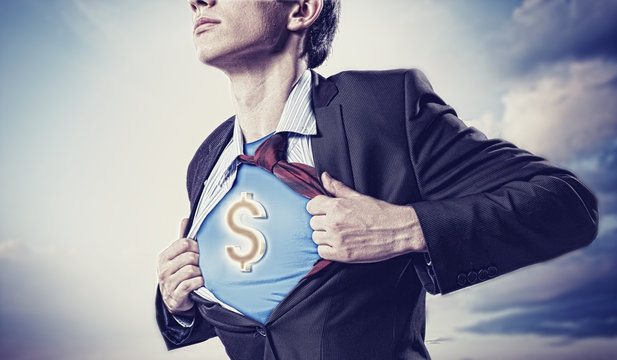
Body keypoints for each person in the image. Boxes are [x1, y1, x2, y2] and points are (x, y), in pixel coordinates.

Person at [155, 0, 599, 359]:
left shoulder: (384, 108)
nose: (198, 1)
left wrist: (406, 229)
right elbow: (257, 314)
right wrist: (178, 307)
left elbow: (567, 203)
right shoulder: (207, 161)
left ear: (302, 9)